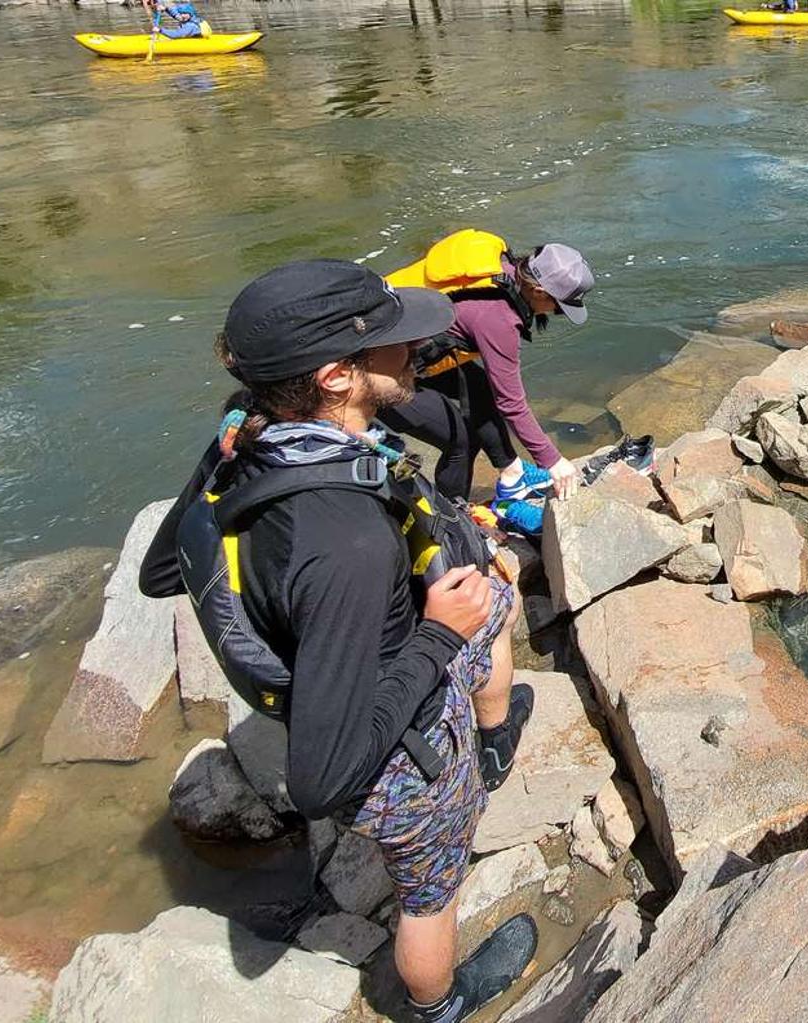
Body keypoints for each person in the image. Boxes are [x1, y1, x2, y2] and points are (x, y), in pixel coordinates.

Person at [138, 260, 538, 1023]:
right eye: (393, 344)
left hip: (344, 654)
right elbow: (321, 781)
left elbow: (163, 570)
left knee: (497, 600)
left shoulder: (247, 429)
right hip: (401, 749)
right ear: (334, 377)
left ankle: (494, 737)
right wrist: (433, 635)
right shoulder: (346, 545)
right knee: (431, 892)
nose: (415, 350)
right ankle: (438, 1002)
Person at [378, 231, 595, 528]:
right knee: (460, 443)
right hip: (370, 374)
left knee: (479, 386)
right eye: (560, 306)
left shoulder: (501, 267)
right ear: (541, 292)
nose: (557, 313)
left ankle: (512, 473)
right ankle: (450, 524)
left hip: (394, 346)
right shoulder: (498, 318)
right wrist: (554, 461)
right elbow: (512, 404)